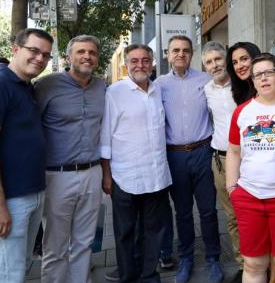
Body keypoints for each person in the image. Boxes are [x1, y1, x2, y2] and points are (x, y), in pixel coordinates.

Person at [0, 28, 53, 283]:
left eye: (46, 55)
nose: (40, 58)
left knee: (19, 268)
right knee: (9, 276)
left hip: (30, 195)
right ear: (15, 49)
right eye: (34, 50)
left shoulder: (26, 87)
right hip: (7, 200)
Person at [34, 35, 105, 283]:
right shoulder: (46, 86)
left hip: (92, 173)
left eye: (92, 53)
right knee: (55, 245)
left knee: (85, 242)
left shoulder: (101, 87)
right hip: (56, 175)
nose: (87, 56)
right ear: (68, 57)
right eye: (81, 52)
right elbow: (31, 129)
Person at [226, 53, 275, 283]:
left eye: (269, 72)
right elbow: (233, 151)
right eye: (258, 75)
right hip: (249, 197)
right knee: (253, 263)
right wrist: (233, 188)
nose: (264, 78)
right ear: (252, 80)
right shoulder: (242, 111)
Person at [100, 44, 172, 283]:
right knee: (126, 233)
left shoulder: (158, 90)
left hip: (156, 175)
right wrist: (107, 175)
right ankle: (128, 277)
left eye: (144, 60)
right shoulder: (114, 92)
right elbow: (105, 137)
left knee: (153, 232)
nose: (140, 65)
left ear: (151, 63)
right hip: (125, 176)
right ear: (126, 64)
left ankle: (149, 276)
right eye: (134, 61)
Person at [156, 35, 223, 283]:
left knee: (207, 210)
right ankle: (186, 258)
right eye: (175, 50)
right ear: (167, 54)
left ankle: (213, 258)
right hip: (174, 156)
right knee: (182, 212)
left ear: (191, 54)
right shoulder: (159, 84)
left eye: (185, 50)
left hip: (203, 152)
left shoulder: (206, 80)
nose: (180, 54)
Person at [202, 41, 244, 283]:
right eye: (209, 61)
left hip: (249, 158)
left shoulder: (242, 85)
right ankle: (242, 262)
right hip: (221, 160)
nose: (215, 65)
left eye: (218, 59)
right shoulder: (206, 90)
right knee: (232, 216)